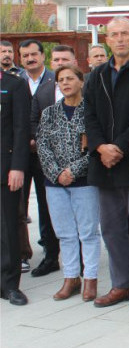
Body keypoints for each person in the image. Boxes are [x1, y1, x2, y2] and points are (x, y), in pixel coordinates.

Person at [84, 16, 129, 311]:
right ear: (106, 39)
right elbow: (88, 115)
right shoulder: (96, 75)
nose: (120, 39)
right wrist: (101, 146)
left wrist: (119, 147)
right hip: (104, 163)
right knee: (112, 228)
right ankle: (121, 284)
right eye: (114, 34)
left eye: (125, 33)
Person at [36, 65, 101, 302]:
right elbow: (42, 146)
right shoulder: (49, 113)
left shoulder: (91, 112)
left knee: (88, 232)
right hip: (55, 183)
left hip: (84, 181)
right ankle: (71, 277)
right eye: (61, 80)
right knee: (65, 233)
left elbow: (95, 146)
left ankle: (91, 278)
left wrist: (72, 171)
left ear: (81, 81)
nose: (65, 83)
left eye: (70, 78)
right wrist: (57, 173)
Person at [18, 39, 60, 278]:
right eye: (25, 55)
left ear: (43, 56)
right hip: (22, 155)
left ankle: (50, 253)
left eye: (34, 54)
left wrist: (39, 140)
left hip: (48, 155)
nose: (30, 58)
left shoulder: (57, 80)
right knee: (19, 205)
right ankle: (22, 253)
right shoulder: (17, 81)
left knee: (47, 205)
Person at [0, 70, 31, 305]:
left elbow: (21, 128)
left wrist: (18, 166)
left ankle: (10, 285)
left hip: (5, 168)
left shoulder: (14, 84)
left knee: (8, 229)